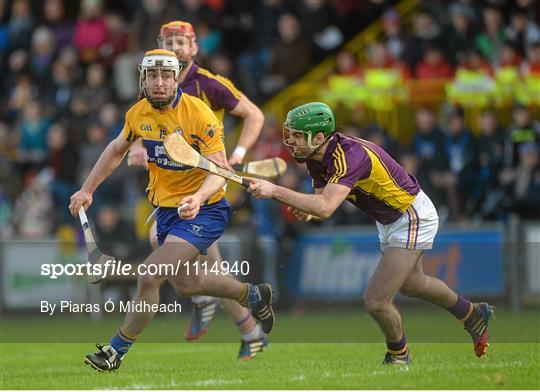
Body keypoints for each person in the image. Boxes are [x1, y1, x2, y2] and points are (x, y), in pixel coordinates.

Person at [69, 49, 274, 372]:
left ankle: (115, 351)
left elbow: (218, 171)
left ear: (176, 78)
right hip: (165, 211)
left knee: (150, 275)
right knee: (187, 285)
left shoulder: (199, 114)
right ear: (143, 79)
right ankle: (252, 295)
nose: (160, 82)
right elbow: (116, 149)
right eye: (153, 76)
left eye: (166, 76)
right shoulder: (138, 114)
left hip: (204, 209)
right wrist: (87, 188)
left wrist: (197, 197)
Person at [247, 102, 494, 365]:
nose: (291, 141)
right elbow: (320, 201)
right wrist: (307, 210)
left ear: (319, 137)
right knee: (413, 284)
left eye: (297, 135)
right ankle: (473, 315)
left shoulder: (350, 157)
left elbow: (326, 207)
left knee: (376, 300)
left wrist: (274, 191)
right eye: (290, 133)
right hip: (389, 219)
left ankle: (399, 356)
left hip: (410, 214)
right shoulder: (315, 156)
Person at [126, 21, 267, 359]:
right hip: (170, 191)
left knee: (186, 263)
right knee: (204, 273)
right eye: (169, 41)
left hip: (204, 190)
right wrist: (135, 147)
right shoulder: (156, 83)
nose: (174, 48)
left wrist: (236, 155)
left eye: (181, 42)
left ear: (194, 48)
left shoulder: (209, 85)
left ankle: (228, 316)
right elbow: (139, 127)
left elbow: (255, 116)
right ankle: (249, 330)